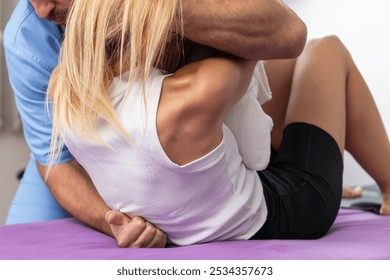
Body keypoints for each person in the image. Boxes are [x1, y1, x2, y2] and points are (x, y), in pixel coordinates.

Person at [48, 0, 390, 246]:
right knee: (326, 51)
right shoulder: (194, 96)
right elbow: (259, 39)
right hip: (290, 207)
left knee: (283, 73)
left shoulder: (62, 90)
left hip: (192, 207)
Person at [3, 0, 304, 247]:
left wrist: (142, 7)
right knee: (18, 252)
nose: (41, 10)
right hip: (71, 152)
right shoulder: (26, 37)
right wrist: (116, 223)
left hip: (174, 128)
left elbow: (288, 35)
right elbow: (55, 162)